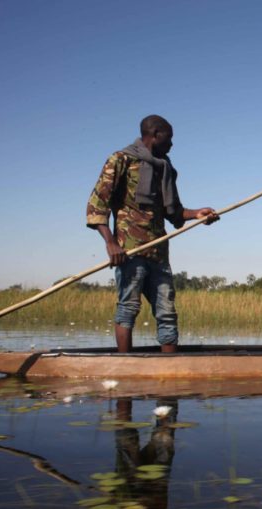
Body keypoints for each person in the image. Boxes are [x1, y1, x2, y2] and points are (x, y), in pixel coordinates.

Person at [87, 115, 218, 353]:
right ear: (155, 134)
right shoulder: (121, 160)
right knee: (128, 307)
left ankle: (169, 368)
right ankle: (124, 365)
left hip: (158, 251)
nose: (172, 144)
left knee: (166, 311)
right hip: (130, 250)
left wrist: (198, 214)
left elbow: (175, 212)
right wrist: (111, 243)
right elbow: (97, 206)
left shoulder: (165, 168)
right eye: (169, 137)